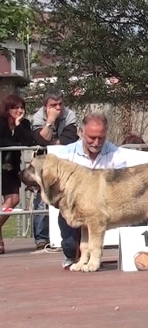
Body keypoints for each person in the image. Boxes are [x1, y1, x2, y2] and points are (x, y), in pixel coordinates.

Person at [55, 113, 127, 269]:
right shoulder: (66, 154)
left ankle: (132, 254)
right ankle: (73, 255)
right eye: (92, 137)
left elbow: (122, 186)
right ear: (81, 132)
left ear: (106, 133)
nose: (96, 142)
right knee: (71, 247)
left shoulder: (116, 154)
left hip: (105, 210)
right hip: (75, 211)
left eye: (101, 138)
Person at [30, 88, 79, 251]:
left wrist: (51, 141)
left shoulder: (69, 114)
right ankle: (41, 238)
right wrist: (50, 122)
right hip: (44, 163)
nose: (58, 108)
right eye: (54, 105)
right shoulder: (38, 117)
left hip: (66, 164)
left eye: (60, 104)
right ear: (46, 107)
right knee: (42, 197)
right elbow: (39, 139)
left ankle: (66, 238)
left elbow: (70, 138)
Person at [0, 94, 35, 254]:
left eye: (22, 107)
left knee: (13, 200)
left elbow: (28, 142)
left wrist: (19, 124)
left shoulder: (24, 123)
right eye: (16, 107)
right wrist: (14, 141)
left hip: (11, 167)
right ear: (7, 109)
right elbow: (3, 141)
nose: (20, 110)